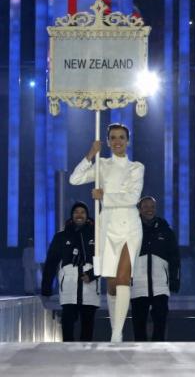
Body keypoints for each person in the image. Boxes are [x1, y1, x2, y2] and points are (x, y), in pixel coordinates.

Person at [69, 123, 144, 342]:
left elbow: (132, 197)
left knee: (123, 279)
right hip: (107, 226)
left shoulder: (136, 167)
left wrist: (104, 196)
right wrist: (90, 155)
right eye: (113, 137)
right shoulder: (101, 165)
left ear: (128, 141)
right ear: (108, 141)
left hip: (129, 224)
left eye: (121, 137)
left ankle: (116, 334)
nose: (118, 141)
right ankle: (116, 326)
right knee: (111, 284)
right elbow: (74, 179)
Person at [41, 202, 100, 341]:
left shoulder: (97, 235)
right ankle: (67, 355)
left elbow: (106, 259)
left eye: (82, 212)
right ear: (72, 215)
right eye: (76, 212)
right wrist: (46, 288)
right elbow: (51, 263)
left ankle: (86, 357)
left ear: (87, 215)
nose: (79, 215)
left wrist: (92, 275)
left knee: (87, 327)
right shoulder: (61, 236)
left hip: (89, 288)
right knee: (67, 326)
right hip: (68, 288)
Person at [130, 196, 180, 341]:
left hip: (160, 286)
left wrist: (174, 279)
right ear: (139, 209)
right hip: (138, 285)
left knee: (161, 322)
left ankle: (159, 351)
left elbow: (175, 258)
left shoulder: (166, 231)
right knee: (138, 324)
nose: (149, 210)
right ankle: (139, 352)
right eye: (145, 206)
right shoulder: (132, 230)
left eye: (152, 207)